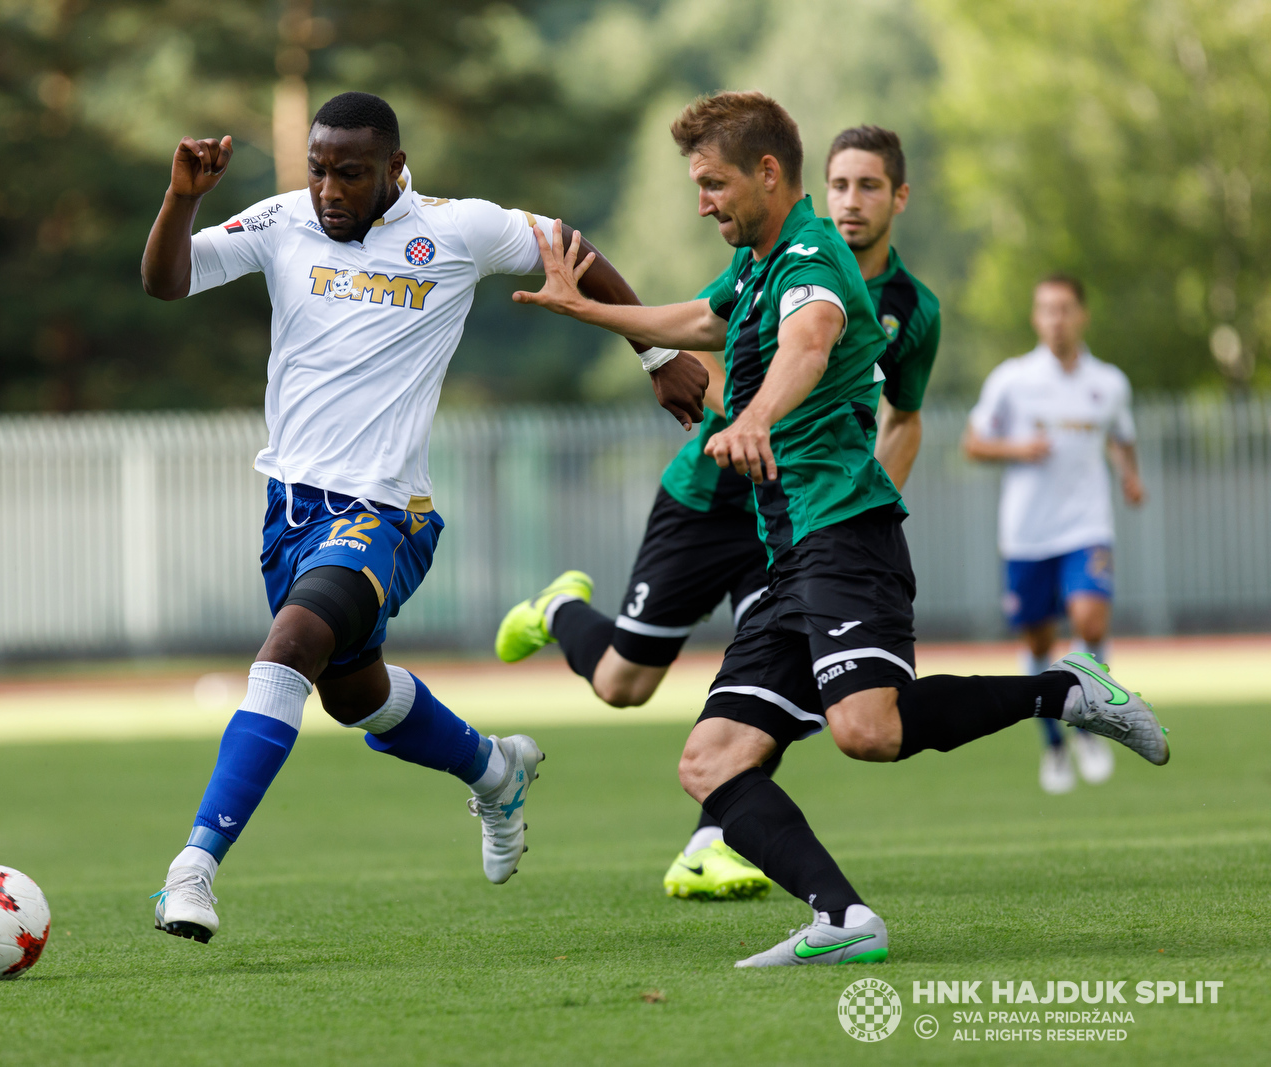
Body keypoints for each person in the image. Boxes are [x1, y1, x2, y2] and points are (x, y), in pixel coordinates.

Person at [513, 90, 1168, 967]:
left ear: (768, 174)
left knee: (868, 730)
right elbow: (703, 321)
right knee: (710, 761)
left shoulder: (814, 260)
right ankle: (843, 919)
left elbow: (810, 341)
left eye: (713, 184)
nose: (702, 202)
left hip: (841, 537)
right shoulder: (759, 261)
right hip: (788, 552)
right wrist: (595, 313)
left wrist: (756, 417)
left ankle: (1067, 690)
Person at [138, 92, 709, 945]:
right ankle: (494, 768)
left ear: (396, 170)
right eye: (319, 168)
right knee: (352, 694)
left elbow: (568, 247)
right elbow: (165, 281)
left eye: (351, 172)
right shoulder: (281, 220)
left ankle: (195, 866)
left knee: (289, 647)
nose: (329, 188)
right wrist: (183, 196)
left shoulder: (458, 229)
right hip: (289, 513)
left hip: (385, 515)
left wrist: (658, 353)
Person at [493, 123, 942, 904]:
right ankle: (562, 609)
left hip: (801, 513)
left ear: (899, 197)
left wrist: (858, 519)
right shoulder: (775, 256)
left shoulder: (913, 310)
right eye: (839, 184)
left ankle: (714, 838)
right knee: (623, 681)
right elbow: (718, 330)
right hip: (711, 497)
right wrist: (608, 325)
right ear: (812, 186)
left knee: (779, 675)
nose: (851, 201)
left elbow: (901, 419)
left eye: (869, 186)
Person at [963, 275, 1147, 794]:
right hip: (1026, 535)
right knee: (1040, 643)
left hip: (1087, 527)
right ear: (1035, 318)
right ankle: (1053, 743)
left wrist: (1129, 475)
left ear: (1082, 315)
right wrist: (1017, 449)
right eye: (1046, 309)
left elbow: (1122, 437)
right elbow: (973, 443)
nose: (1056, 319)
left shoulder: (1108, 382)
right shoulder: (1012, 380)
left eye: (1065, 309)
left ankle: (1090, 720)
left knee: (1089, 618)